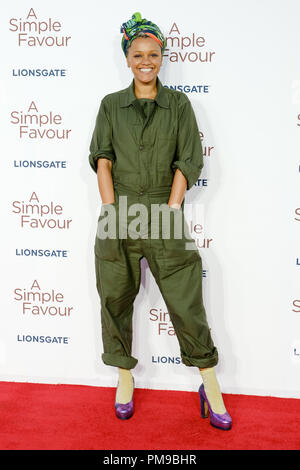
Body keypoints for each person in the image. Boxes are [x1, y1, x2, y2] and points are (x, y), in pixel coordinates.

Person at [88, 12, 232, 430]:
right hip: (121, 211)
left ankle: (209, 382)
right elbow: (102, 159)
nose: (146, 61)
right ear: (127, 58)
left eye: (153, 54)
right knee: (114, 297)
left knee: (186, 303)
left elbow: (189, 159)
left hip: (164, 212)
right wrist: (112, 210)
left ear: (162, 57)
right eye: (138, 54)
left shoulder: (179, 104)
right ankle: (125, 377)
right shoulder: (111, 105)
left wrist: (170, 210)